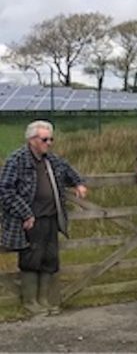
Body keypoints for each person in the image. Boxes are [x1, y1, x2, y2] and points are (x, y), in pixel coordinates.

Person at [0, 120, 87, 315]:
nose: (49, 143)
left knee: (49, 258)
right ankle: (30, 301)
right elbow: (5, 191)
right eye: (45, 139)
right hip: (30, 220)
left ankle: (45, 299)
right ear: (32, 140)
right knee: (31, 258)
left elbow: (68, 170)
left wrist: (79, 183)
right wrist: (25, 213)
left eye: (51, 139)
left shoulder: (51, 160)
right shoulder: (17, 160)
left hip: (51, 218)